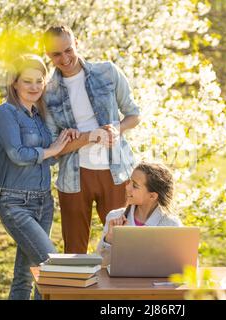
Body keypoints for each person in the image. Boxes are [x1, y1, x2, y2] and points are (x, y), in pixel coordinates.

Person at [43, 26, 141, 254]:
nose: (65, 58)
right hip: (73, 178)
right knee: (74, 248)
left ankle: (121, 291)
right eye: (57, 54)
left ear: (76, 43)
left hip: (116, 172)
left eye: (68, 50)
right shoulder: (48, 92)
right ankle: (79, 291)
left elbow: (134, 115)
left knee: (123, 245)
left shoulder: (107, 72)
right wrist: (89, 137)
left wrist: (118, 129)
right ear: (48, 54)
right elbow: (53, 148)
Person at [0, 54, 78, 300]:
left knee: (27, 275)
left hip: (43, 203)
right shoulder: (6, 113)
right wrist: (51, 150)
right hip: (15, 204)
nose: (35, 87)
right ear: (14, 82)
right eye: (27, 81)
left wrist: (63, 142)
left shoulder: (39, 119)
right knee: (53, 267)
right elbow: (16, 154)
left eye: (39, 80)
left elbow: (47, 157)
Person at [96, 162, 183, 266]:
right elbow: (100, 265)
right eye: (129, 182)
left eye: (135, 186)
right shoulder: (114, 217)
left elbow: (185, 269)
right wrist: (109, 238)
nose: (127, 187)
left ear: (152, 196)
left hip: (155, 282)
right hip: (120, 282)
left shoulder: (171, 225)